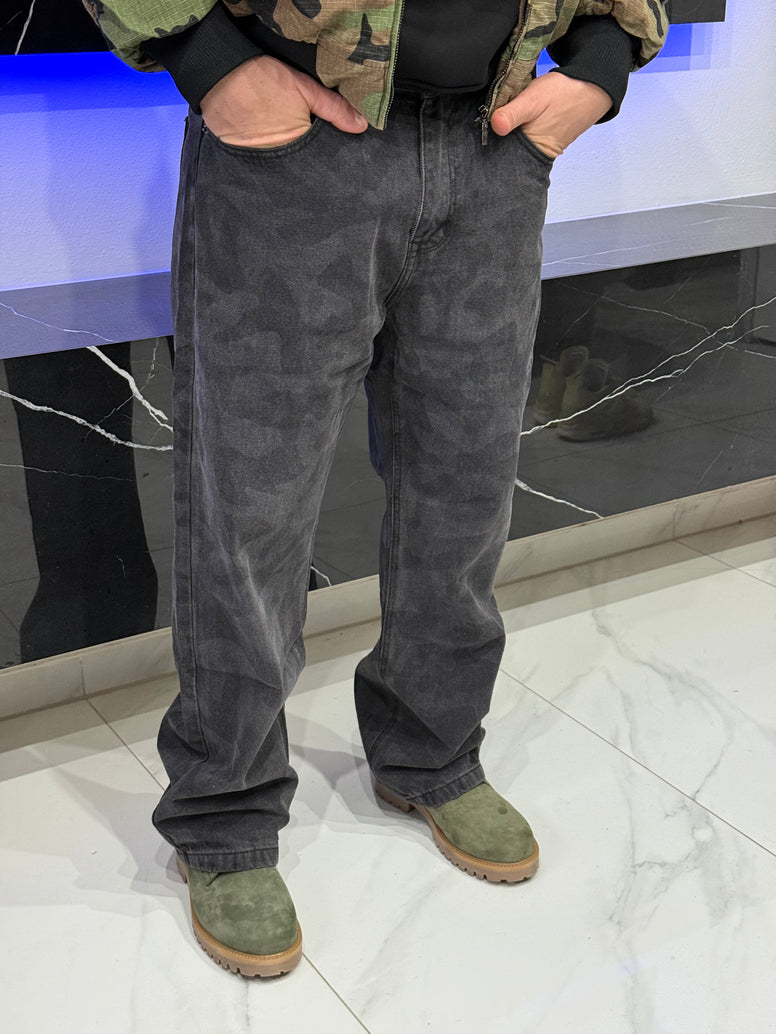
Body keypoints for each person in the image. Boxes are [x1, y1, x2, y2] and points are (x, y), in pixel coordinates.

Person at [83, 0, 668, 978]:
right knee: (255, 501)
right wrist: (211, 58)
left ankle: (431, 749)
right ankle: (226, 808)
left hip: (493, 148)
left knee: (464, 482)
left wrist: (602, 62)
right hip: (297, 151)